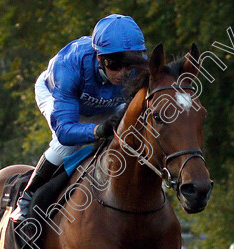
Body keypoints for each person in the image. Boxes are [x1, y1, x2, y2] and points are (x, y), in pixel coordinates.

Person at [10, 14, 146, 221]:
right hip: (58, 96)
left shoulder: (140, 68)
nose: (122, 74)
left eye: (130, 66)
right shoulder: (68, 66)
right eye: (115, 65)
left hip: (106, 102)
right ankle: (26, 200)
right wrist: (97, 130)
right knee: (64, 147)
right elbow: (65, 131)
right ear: (99, 57)